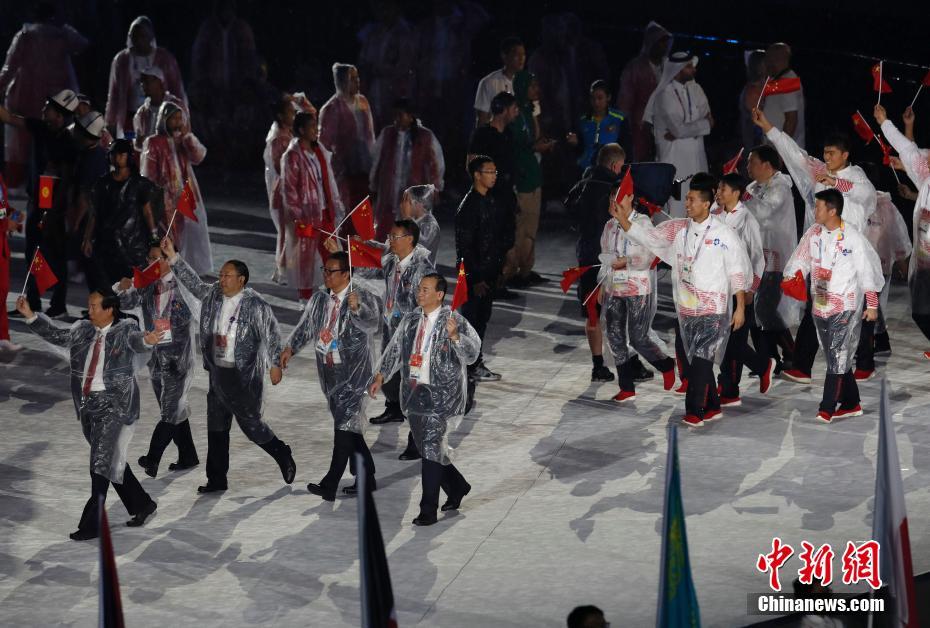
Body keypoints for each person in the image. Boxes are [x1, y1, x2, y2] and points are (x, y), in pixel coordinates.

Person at [16, 290, 160, 540]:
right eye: (89, 305)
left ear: (109, 310)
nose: (89, 310)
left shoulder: (125, 330)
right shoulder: (83, 330)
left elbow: (139, 341)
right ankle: (142, 504)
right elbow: (57, 335)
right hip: (87, 406)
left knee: (99, 464)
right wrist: (30, 315)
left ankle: (91, 524)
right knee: (110, 460)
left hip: (114, 406)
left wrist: (148, 340)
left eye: (94, 306)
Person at [160, 237, 296, 494]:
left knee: (252, 427)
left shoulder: (256, 305)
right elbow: (193, 283)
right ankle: (216, 479)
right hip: (217, 372)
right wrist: (173, 258)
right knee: (216, 428)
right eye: (221, 275)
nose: (221, 279)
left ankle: (281, 452)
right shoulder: (213, 295)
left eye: (227, 275)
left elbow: (272, 335)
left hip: (242, 378)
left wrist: (276, 363)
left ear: (241, 279)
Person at [615, 173, 751, 427]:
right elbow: (650, 239)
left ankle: (694, 410)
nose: (686, 204)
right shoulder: (679, 229)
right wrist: (624, 220)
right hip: (687, 308)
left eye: (690, 200)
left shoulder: (725, 234)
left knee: (700, 359)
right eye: (686, 200)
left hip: (714, 308)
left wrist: (740, 307)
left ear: (705, 203)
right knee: (697, 359)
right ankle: (712, 406)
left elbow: (737, 272)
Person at [753, 107, 877, 383]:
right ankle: (802, 365)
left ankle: (865, 361)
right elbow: (794, 153)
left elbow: (867, 197)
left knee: (854, 308)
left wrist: (836, 182)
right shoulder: (817, 172)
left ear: (845, 155)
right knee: (816, 304)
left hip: (849, 254)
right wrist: (768, 127)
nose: (827, 157)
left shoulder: (856, 177)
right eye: (825, 152)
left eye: (832, 153)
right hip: (822, 255)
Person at [368, 272, 481, 526]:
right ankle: (458, 485)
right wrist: (381, 375)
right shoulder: (409, 320)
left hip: (442, 395)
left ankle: (427, 509)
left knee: (430, 446)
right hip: (415, 393)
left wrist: (455, 338)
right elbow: (395, 350)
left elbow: (473, 354)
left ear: (439, 295)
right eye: (419, 289)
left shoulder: (454, 321)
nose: (420, 293)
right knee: (426, 447)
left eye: (426, 290)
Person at [281, 251, 380, 500]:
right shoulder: (319, 300)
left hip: (354, 374)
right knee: (349, 428)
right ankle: (367, 476)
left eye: (331, 271)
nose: (326, 275)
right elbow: (306, 326)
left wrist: (357, 310)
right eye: (324, 270)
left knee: (343, 428)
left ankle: (330, 482)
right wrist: (290, 348)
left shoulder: (361, 296)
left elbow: (373, 322)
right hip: (330, 372)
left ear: (346, 274)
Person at [781, 189, 883, 422]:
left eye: (818, 207)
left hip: (845, 305)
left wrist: (872, 305)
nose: (814, 211)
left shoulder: (853, 238)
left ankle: (826, 407)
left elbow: (868, 272)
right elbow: (800, 258)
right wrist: (792, 275)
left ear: (832, 210)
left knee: (837, 354)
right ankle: (852, 402)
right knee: (835, 356)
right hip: (820, 304)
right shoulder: (813, 233)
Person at [565, 143, 649, 383]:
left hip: (586, 257)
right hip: (611, 260)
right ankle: (630, 363)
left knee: (592, 314)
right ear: (615, 165)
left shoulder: (581, 184)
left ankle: (598, 366)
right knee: (619, 315)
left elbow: (569, 212)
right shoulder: (613, 189)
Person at [115, 245, 198, 477]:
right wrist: (123, 289)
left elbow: (200, 299)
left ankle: (152, 459)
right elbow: (127, 303)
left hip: (178, 359)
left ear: (169, 259)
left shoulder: (183, 286)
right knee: (172, 407)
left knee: (169, 411)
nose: (151, 264)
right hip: (156, 357)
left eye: (157, 258)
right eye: (149, 259)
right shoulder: (147, 284)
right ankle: (188, 455)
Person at [0, 89, 79, 317]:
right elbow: (9, 117)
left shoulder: (67, 142)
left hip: (55, 207)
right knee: (33, 253)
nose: (44, 109)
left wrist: (54, 212)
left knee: (55, 253)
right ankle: (33, 302)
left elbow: (65, 181)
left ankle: (58, 305)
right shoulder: (41, 128)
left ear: (60, 116)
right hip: (36, 202)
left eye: (50, 107)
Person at [599, 181, 676, 401]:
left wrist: (626, 261)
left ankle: (666, 365)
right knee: (614, 336)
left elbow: (649, 256)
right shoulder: (609, 226)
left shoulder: (642, 223)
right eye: (611, 197)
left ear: (630, 198)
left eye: (619, 197)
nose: (614, 202)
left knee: (638, 337)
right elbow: (604, 256)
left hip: (637, 287)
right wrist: (602, 283)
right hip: (615, 287)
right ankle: (626, 386)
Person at [0, 2, 87, 189]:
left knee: (27, 147)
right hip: (55, 105)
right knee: (50, 152)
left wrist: (1, 88)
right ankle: (45, 196)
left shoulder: (25, 36)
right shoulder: (62, 35)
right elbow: (84, 45)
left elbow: (9, 68)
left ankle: (31, 194)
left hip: (27, 101)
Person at [368, 220, 435, 463]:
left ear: (409, 239)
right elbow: (369, 267)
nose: (390, 240)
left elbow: (425, 305)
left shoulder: (422, 269)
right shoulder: (393, 262)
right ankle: (395, 408)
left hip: (412, 337)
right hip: (391, 330)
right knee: (391, 381)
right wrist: (345, 255)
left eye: (394, 236)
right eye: (389, 235)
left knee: (413, 389)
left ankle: (417, 441)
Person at [712, 173, 776, 404]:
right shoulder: (714, 214)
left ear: (736, 192)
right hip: (718, 287)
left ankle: (753, 371)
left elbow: (758, 257)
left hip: (741, 289)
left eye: (723, 189)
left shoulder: (747, 219)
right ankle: (731, 387)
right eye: (718, 188)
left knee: (734, 343)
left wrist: (752, 289)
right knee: (726, 342)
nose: (718, 192)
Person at [874, 104, 930, 356]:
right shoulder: (926, 176)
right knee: (920, 311)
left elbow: (910, 152)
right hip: (924, 255)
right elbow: (910, 152)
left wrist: (885, 122)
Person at [743, 144, 800, 370]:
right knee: (756, 312)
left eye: (752, 162)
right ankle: (767, 359)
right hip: (756, 257)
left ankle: (792, 353)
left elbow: (763, 212)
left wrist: (743, 198)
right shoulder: (753, 187)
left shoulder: (781, 188)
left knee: (765, 309)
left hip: (776, 257)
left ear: (766, 165)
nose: (748, 167)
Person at [140, 101, 212, 274]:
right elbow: (148, 174)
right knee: (168, 234)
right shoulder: (154, 142)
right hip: (164, 198)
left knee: (189, 233)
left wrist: (188, 137)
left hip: (186, 195)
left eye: (180, 118)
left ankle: (185, 269)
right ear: (164, 119)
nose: (178, 122)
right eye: (174, 118)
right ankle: (166, 270)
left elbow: (199, 156)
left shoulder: (183, 140)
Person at [280, 110, 344, 303]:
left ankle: (336, 292)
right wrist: (299, 217)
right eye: (311, 127)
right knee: (306, 258)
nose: (316, 130)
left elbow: (329, 180)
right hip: (307, 216)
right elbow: (289, 190)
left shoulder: (319, 151)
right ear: (301, 130)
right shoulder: (292, 156)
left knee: (332, 252)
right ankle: (305, 297)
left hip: (324, 212)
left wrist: (336, 204)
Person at [644, 52, 713, 218]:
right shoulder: (664, 95)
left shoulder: (696, 89)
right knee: (675, 203)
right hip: (674, 160)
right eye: (688, 67)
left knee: (697, 198)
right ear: (678, 69)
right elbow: (679, 130)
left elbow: (710, 120)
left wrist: (687, 130)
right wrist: (700, 127)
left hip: (696, 157)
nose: (693, 70)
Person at [83, 139, 157, 291]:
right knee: (106, 287)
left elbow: (148, 213)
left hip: (133, 247)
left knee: (132, 290)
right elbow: (94, 214)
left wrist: (154, 242)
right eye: (114, 154)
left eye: (121, 154)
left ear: (128, 156)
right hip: (106, 246)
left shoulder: (139, 184)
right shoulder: (102, 184)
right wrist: (87, 238)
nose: (117, 158)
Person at [456, 156, 505, 383]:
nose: (494, 176)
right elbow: (465, 247)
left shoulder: (491, 201)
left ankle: (474, 363)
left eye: (495, 171)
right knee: (472, 323)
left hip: (488, 274)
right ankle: (471, 365)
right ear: (477, 174)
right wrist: (474, 278)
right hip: (474, 277)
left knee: (481, 320)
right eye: (489, 171)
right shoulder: (469, 206)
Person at [467, 91, 520, 298]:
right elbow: (471, 162)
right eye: (513, 108)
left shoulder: (508, 134)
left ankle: (498, 283)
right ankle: (487, 284)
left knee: (505, 240)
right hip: (489, 197)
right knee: (489, 242)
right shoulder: (483, 135)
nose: (516, 113)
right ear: (503, 110)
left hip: (505, 196)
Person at [369, 98, 445, 241]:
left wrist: (435, 188)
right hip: (389, 196)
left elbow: (435, 165)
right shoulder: (387, 134)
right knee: (388, 233)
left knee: (412, 235)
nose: (396, 119)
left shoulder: (425, 137)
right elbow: (376, 162)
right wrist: (373, 185)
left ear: (410, 117)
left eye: (400, 115)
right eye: (394, 116)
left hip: (415, 197)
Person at [504, 71, 554, 287]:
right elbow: (514, 147)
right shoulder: (515, 116)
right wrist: (536, 146)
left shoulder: (527, 112)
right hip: (522, 178)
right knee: (520, 227)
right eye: (532, 86)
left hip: (533, 177)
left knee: (531, 227)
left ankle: (526, 269)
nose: (537, 90)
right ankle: (512, 271)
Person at [105, 16, 187, 139]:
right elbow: (114, 94)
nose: (139, 41)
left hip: (161, 118)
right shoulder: (122, 60)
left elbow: (177, 90)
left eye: (143, 36)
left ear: (150, 37)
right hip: (130, 119)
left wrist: (183, 119)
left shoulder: (165, 59)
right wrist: (110, 122)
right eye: (135, 36)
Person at [319, 63, 375, 212]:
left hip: (363, 170)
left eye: (358, 78)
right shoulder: (331, 109)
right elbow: (324, 145)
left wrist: (373, 163)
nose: (358, 82)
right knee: (346, 212)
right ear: (343, 82)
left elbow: (370, 136)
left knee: (363, 213)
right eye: (353, 78)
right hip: (343, 172)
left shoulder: (363, 102)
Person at [356, 0, 418, 130]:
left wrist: (380, 70)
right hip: (374, 92)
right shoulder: (373, 32)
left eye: (387, 6)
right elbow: (364, 61)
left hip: (396, 92)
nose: (383, 11)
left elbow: (405, 66)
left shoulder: (406, 32)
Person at [616, 21, 672, 162]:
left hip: (666, 127)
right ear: (652, 43)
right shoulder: (634, 68)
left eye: (666, 42)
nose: (664, 47)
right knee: (640, 163)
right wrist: (625, 128)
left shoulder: (669, 68)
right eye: (661, 42)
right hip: (640, 127)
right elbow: (624, 102)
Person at [71, 111, 112, 292]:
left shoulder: (90, 159)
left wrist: (75, 222)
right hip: (98, 217)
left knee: (93, 265)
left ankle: (101, 306)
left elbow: (85, 196)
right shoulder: (98, 154)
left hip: (91, 220)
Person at [264, 96, 301, 285]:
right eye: (290, 112)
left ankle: (284, 270)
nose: (294, 115)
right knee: (286, 233)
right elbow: (281, 167)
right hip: (283, 191)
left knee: (290, 233)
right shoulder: (279, 138)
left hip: (290, 189)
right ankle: (283, 272)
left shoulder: (287, 133)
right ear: (280, 115)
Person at [567, 80, 633, 171]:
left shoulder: (619, 119)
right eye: (593, 98)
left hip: (611, 170)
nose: (596, 102)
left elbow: (627, 148)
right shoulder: (583, 121)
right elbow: (580, 149)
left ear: (608, 97)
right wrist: (575, 143)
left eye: (600, 98)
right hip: (586, 170)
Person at [132, 66, 186, 152]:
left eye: (147, 81)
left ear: (159, 82)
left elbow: (186, 137)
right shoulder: (141, 113)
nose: (143, 85)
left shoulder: (177, 106)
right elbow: (139, 145)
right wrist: (139, 142)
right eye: (141, 81)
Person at [761, 43, 805, 149]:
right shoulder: (777, 80)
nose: (765, 63)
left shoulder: (788, 81)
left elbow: (791, 120)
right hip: (774, 148)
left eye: (767, 58)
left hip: (783, 152)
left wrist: (782, 151)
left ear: (776, 58)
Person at [474, 37, 525, 126]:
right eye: (516, 54)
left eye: (523, 54)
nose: (521, 58)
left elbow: (534, 115)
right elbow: (482, 119)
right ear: (504, 56)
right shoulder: (488, 82)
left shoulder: (527, 83)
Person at [399, 184, 440, 264]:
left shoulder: (431, 225)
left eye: (407, 201)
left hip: (423, 273)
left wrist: (408, 219)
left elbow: (419, 247)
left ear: (418, 203)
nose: (403, 206)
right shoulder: (416, 221)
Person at [739, 50, 767, 151]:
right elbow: (758, 124)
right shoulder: (753, 92)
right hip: (756, 149)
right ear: (758, 67)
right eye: (766, 62)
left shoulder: (764, 88)